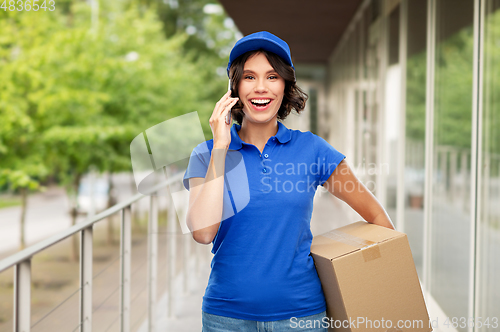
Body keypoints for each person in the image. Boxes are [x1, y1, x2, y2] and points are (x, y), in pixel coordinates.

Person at [183, 31, 394, 332]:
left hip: (301, 318)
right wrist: (220, 147)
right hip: (226, 318)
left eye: (272, 77)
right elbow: (203, 233)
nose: (260, 88)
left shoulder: (313, 150)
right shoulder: (205, 154)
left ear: (285, 85)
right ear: (234, 88)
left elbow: (376, 217)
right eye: (249, 77)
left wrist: (373, 286)